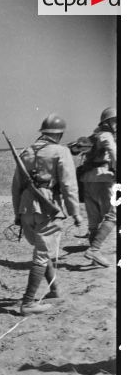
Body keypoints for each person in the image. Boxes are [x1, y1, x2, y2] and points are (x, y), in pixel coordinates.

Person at [12, 114, 82, 315]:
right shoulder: (61, 151)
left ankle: (55, 290)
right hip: (48, 207)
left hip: (26, 209)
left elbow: (16, 187)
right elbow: (69, 185)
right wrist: (75, 212)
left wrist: (17, 213)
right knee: (43, 254)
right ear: (59, 134)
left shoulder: (25, 152)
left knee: (44, 249)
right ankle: (28, 303)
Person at [80, 107, 117, 268]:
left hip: (87, 180)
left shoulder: (94, 136)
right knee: (113, 215)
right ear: (108, 122)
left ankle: (95, 257)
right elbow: (114, 153)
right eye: (116, 120)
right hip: (103, 178)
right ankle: (94, 249)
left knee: (93, 222)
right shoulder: (107, 136)